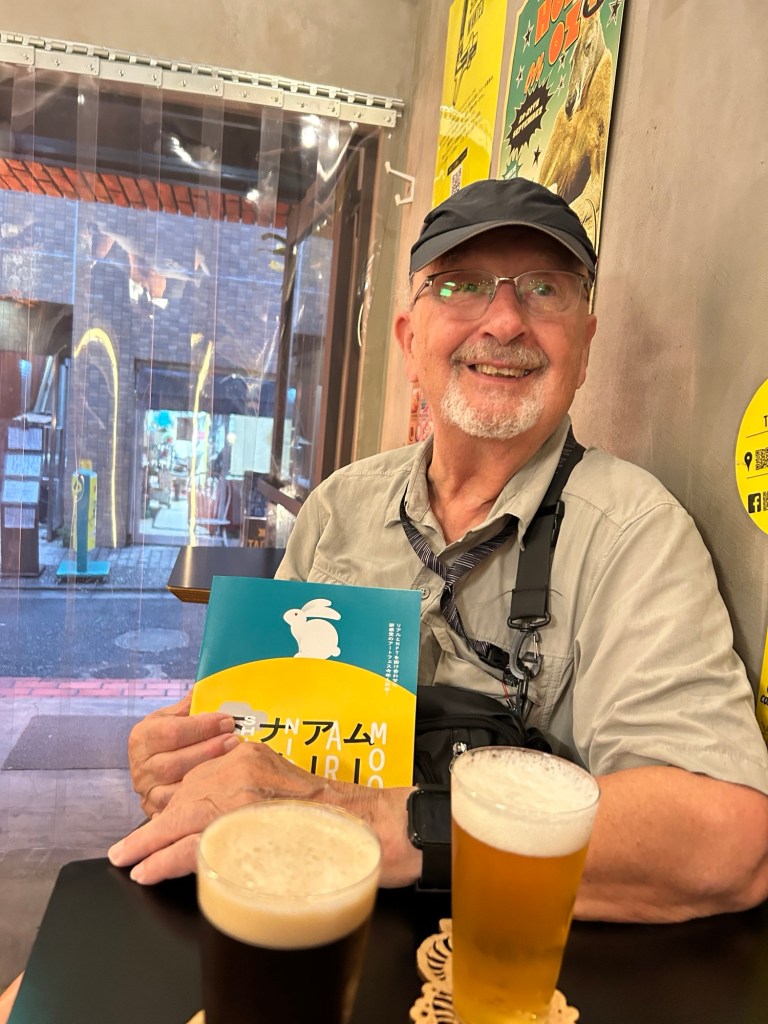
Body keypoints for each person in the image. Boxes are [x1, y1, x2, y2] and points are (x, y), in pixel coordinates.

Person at [109, 177, 768, 923]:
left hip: (504, 950)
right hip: (300, 912)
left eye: (546, 289)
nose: (507, 320)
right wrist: (184, 757)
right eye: (461, 285)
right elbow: (257, 736)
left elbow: (725, 837)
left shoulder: (634, 533)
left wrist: (369, 820)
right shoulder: (339, 508)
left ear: (584, 347)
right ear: (408, 341)